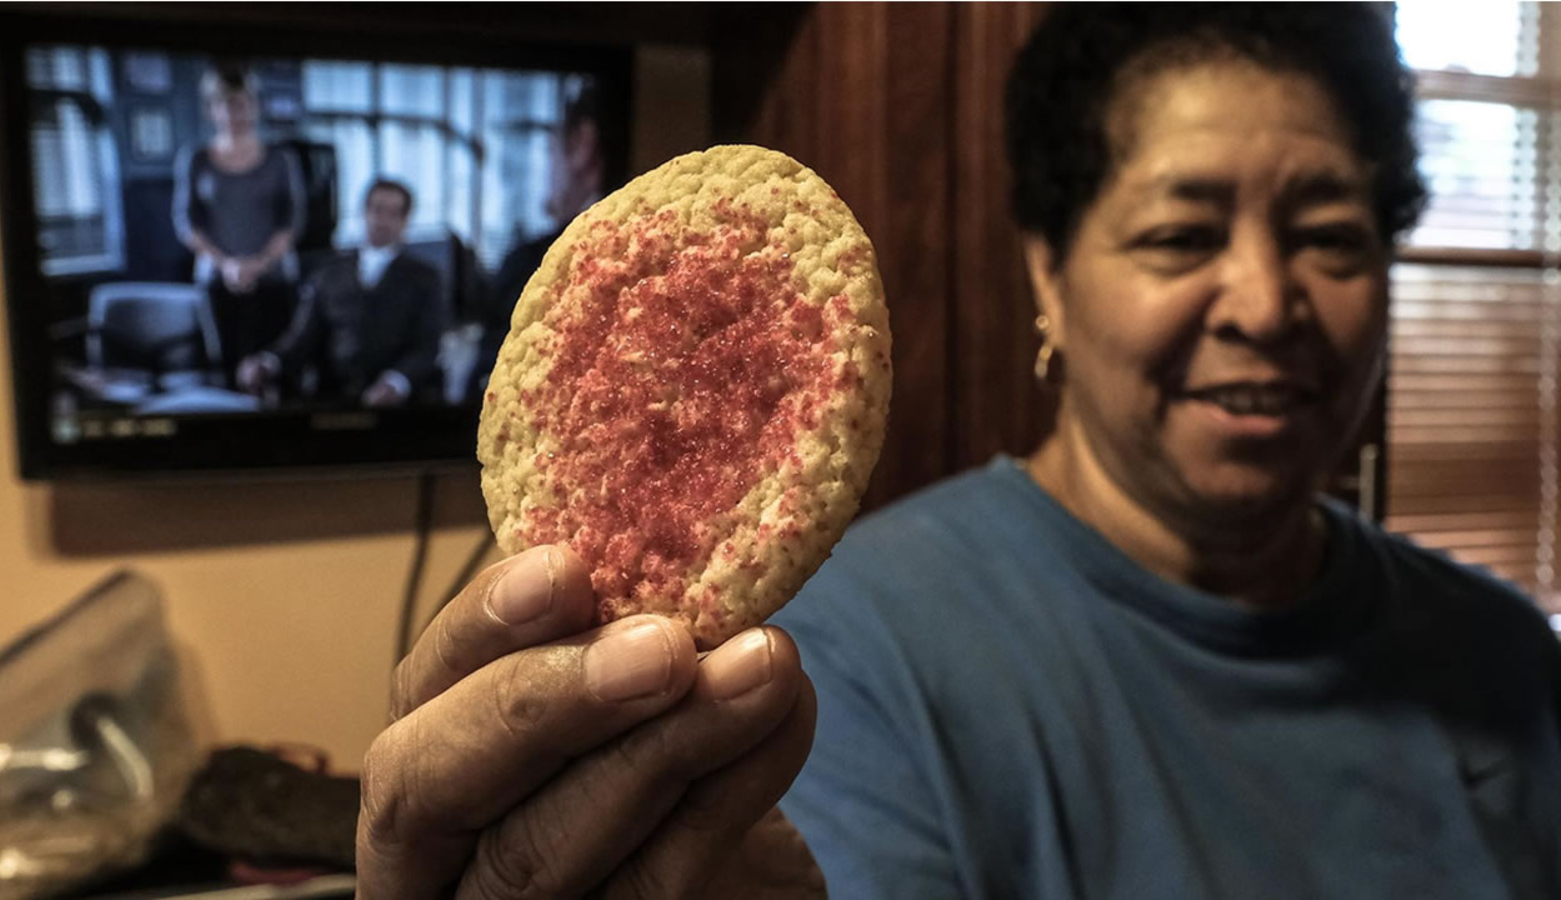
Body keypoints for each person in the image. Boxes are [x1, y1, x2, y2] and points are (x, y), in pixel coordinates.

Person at [355, 6, 1561, 899]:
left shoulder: (1506, 661)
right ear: (1049, 269)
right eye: (1180, 233)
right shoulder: (827, 667)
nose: (1264, 300)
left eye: (1333, 238)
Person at [238, 178, 447, 408]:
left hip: (400, 406)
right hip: (332, 398)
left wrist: (395, 382)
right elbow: (302, 337)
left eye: (393, 213)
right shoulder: (329, 273)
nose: (383, 221)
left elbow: (427, 345)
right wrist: (268, 362)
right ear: (365, 212)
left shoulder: (425, 278)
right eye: (377, 210)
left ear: (405, 220)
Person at [467, 84, 606, 396]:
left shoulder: (532, 267)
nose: (546, 168)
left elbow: (486, 393)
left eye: (549, 150)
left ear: (583, 145)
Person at [173, 62, 306, 382]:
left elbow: (292, 220)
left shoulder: (280, 160)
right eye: (225, 105)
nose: (235, 114)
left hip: (274, 279)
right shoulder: (196, 159)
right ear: (211, 110)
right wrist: (227, 266)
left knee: (276, 366)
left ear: (254, 107)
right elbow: (187, 221)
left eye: (242, 104)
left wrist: (258, 264)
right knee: (224, 369)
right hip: (217, 281)